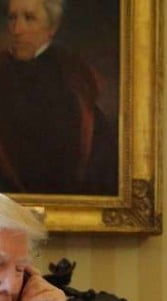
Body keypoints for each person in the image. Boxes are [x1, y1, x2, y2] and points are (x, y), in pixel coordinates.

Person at [0, 0, 117, 194]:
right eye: (12, 18)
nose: (16, 29)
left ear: (52, 28)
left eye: (29, 18)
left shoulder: (74, 79)